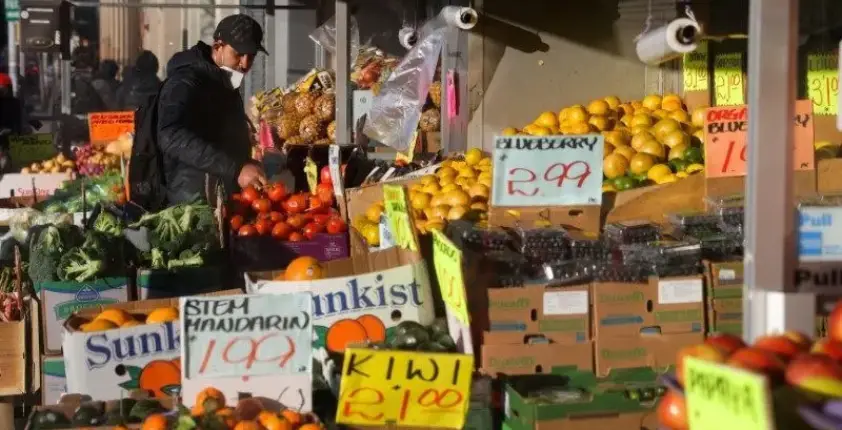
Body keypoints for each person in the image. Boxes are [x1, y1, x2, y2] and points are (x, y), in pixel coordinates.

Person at [157, 14, 267, 205]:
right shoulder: (186, 81)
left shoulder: (222, 79)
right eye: (239, 54)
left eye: (252, 56)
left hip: (221, 193)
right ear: (218, 47)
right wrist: (236, 168)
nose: (245, 64)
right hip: (193, 199)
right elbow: (169, 134)